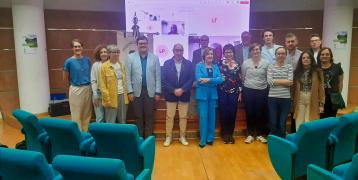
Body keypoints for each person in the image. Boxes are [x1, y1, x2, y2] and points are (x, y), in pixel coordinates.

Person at [126, 36, 161, 137]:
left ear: (147, 44)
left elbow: (158, 76)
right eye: (140, 43)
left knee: (149, 115)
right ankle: (140, 138)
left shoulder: (154, 58)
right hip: (136, 92)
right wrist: (130, 92)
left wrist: (158, 92)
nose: (142, 45)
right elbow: (127, 76)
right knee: (138, 116)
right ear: (137, 45)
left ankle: (148, 138)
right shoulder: (130, 57)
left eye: (144, 43)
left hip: (150, 91)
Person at [162, 44, 194, 146]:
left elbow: (191, 79)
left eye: (180, 50)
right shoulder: (167, 63)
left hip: (184, 94)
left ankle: (182, 137)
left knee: (183, 117)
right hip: (171, 94)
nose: (179, 52)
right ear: (173, 51)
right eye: (177, 50)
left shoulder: (189, 64)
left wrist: (183, 89)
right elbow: (164, 80)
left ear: (183, 51)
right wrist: (173, 90)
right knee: (169, 117)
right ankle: (168, 137)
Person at [241, 43, 270, 144]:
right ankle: (249, 134)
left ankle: (259, 134)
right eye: (253, 50)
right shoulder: (245, 63)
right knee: (250, 113)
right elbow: (243, 77)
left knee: (260, 113)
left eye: (257, 49)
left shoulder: (266, 63)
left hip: (262, 91)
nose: (256, 51)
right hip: (248, 90)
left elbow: (268, 77)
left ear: (260, 51)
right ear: (250, 52)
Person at [196, 48, 223, 148]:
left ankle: (210, 138)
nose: (210, 56)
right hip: (202, 95)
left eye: (211, 54)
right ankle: (202, 140)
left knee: (212, 117)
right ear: (204, 56)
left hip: (213, 95)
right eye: (208, 54)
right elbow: (199, 80)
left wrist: (207, 79)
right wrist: (213, 80)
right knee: (203, 117)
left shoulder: (215, 67)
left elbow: (220, 80)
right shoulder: (198, 66)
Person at [63, 38, 92, 131]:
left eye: (79, 46)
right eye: (75, 46)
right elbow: (65, 78)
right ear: (72, 48)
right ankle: (78, 135)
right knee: (76, 114)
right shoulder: (68, 61)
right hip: (76, 89)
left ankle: (85, 134)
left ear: (82, 48)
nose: (77, 48)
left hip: (87, 88)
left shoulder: (87, 59)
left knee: (87, 114)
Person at [293, 52, 325, 130]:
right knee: (299, 121)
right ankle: (299, 140)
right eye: (303, 58)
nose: (305, 59)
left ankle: (309, 140)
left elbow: (321, 88)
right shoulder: (297, 71)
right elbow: (293, 88)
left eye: (308, 57)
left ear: (311, 59)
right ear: (301, 60)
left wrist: (321, 104)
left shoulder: (318, 71)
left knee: (310, 121)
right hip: (300, 98)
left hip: (313, 98)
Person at [218, 44, 242, 144]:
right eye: (226, 52)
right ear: (224, 53)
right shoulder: (219, 64)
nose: (228, 54)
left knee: (232, 113)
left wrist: (240, 93)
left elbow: (240, 80)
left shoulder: (237, 65)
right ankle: (224, 134)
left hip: (234, 93)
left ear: (233, 53)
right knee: (223, 113)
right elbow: (217, 78)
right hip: (222, 92)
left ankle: (230, 135)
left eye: (230, 52)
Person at [267, 47, 293, 138]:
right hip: (272, 98)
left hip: (286, 99)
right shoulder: (270, 66)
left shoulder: (289, 67)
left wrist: (276, 81)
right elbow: (269, 81)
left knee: (282, 123)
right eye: (278, 53)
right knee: (273, 122)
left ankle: (282, 142)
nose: (280, 55)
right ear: (275, 55)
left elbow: (290, 82)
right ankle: (274, 141)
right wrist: (284, 81)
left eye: (283, 53)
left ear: (286, 55)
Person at [99, 45, 129, 124]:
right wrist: (107, 99)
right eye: (113, 52)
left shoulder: (122, 65)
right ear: (109, 54)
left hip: (122, 95)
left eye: (117, 52)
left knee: (122, 121)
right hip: (110, 98)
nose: (116, 54)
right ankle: (110, 136)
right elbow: (102, 85)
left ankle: (121, 136)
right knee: (110, 121)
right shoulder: (104, 67)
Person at [317, 47, 344, 118]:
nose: (324, 56)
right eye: (322, 54)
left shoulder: (337, 67)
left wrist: (338, 94)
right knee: (320, 118)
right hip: (320, 98)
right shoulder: (316, 68)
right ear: (319, 56)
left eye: (327, 54)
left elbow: (340, 82)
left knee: (332, 118)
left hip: (333, 97)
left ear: (331, 56)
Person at [91, 45, 108, 123]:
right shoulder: (95, 65)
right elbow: (93, 81)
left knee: (109, 119)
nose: (103, 54)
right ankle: (99, 135)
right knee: (100, 118)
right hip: (98, 95)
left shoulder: (112, 64)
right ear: (99, 54)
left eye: (105, 52)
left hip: (109, 96)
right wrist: (95, 94)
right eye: (101, 52)